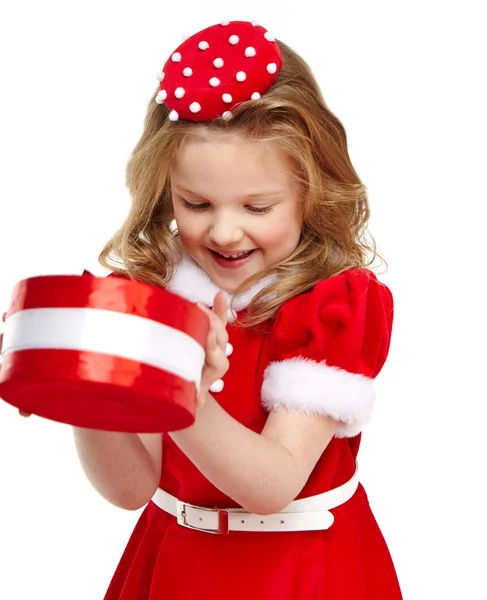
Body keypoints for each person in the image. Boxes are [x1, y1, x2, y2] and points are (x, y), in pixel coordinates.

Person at [39, 19, 403, 599]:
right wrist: (86, 394)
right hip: (175, 562)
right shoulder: (156, 294)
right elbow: (133, 487)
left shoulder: (331, 307)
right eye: (197, 203)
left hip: (299, 571)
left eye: (258, 206)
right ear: (163, 191)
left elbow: (274, 484)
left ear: (313, 190)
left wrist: (185, 392)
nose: (225, 230)